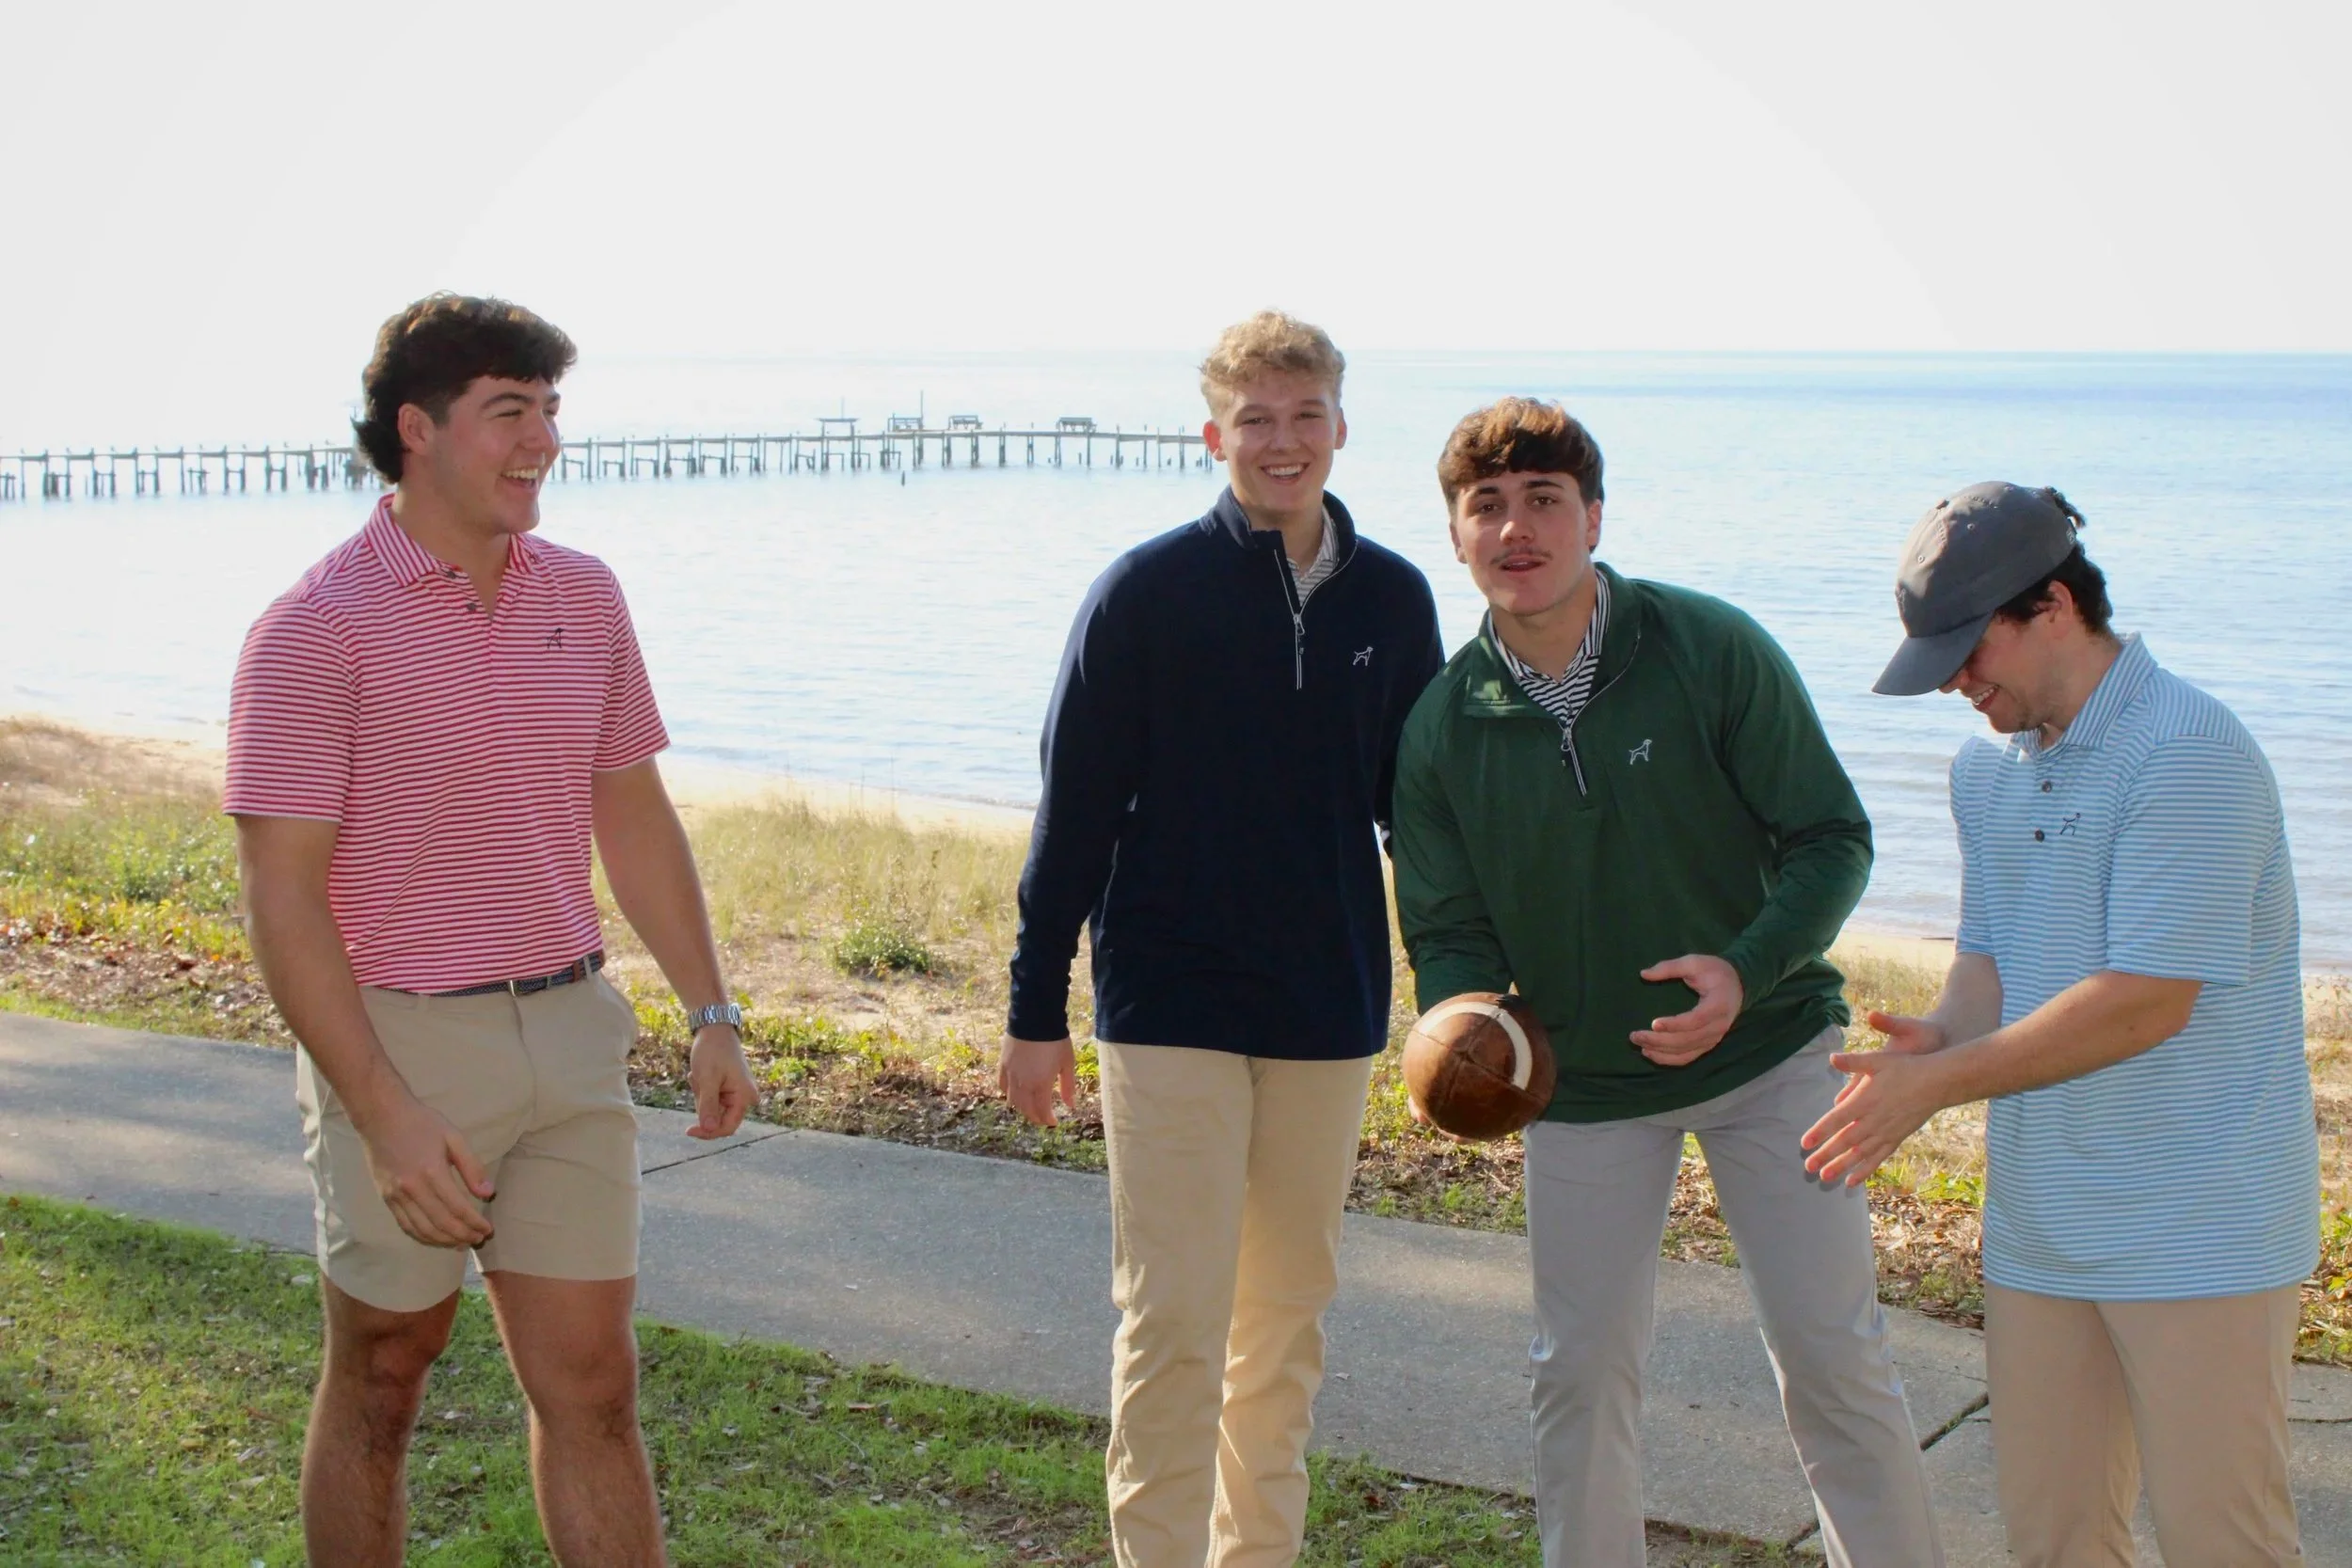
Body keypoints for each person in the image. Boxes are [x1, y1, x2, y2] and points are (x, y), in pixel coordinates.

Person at [227, 293, 758, 1566]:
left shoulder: (584, 591)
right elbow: (281, 900)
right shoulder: (314, 629)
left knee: (595, 1384)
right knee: (383, 1374)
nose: (543, 441)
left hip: (571, 1032)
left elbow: (630, 809)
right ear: (417, 429)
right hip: (403, 1043)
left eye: (552, 410)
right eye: (509, 412)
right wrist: (383, 1108)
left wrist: (710, 1007)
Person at [1391, 398, 1942, 1568]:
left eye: (1544, 499)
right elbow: (1444, 929)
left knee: (1832, 1357)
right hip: (1581, 1090)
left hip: (1772, 1052)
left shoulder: (1708, 644)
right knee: (1578, 1376)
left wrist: (1745, 968)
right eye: (1486, 505)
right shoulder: (1443, 725)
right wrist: (1463, 1033)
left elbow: (1831, 837)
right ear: (1456, 535)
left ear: (1593, 515)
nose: (1515, 526)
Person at [997, 310, 1442, 1567]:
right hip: (1169, 1003)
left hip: (1328, 1007)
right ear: (1214, 433)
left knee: (1285, 1327)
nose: (1283, 440)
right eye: (1257, 418)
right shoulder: (1143, 593)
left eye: (1307, 416)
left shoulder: (1396, 598)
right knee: (1177, 1322)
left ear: (1342, 429)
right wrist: (1037, 1010)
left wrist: (1469, 985)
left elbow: (1423, 819)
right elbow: (1073, 813)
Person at [1804, 481, 2316, 1565]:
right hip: (2043, 1227)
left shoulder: (2187, 753)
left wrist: (1942, 1085)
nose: (1952, 679)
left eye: (1965, 646)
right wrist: (1936, 1039)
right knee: (2053, 1537)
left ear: (2050, 605)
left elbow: (2145, 1001)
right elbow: (1992, 961)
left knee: (2220, 1538)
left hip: (2199, 1231)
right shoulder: (1988, 765)